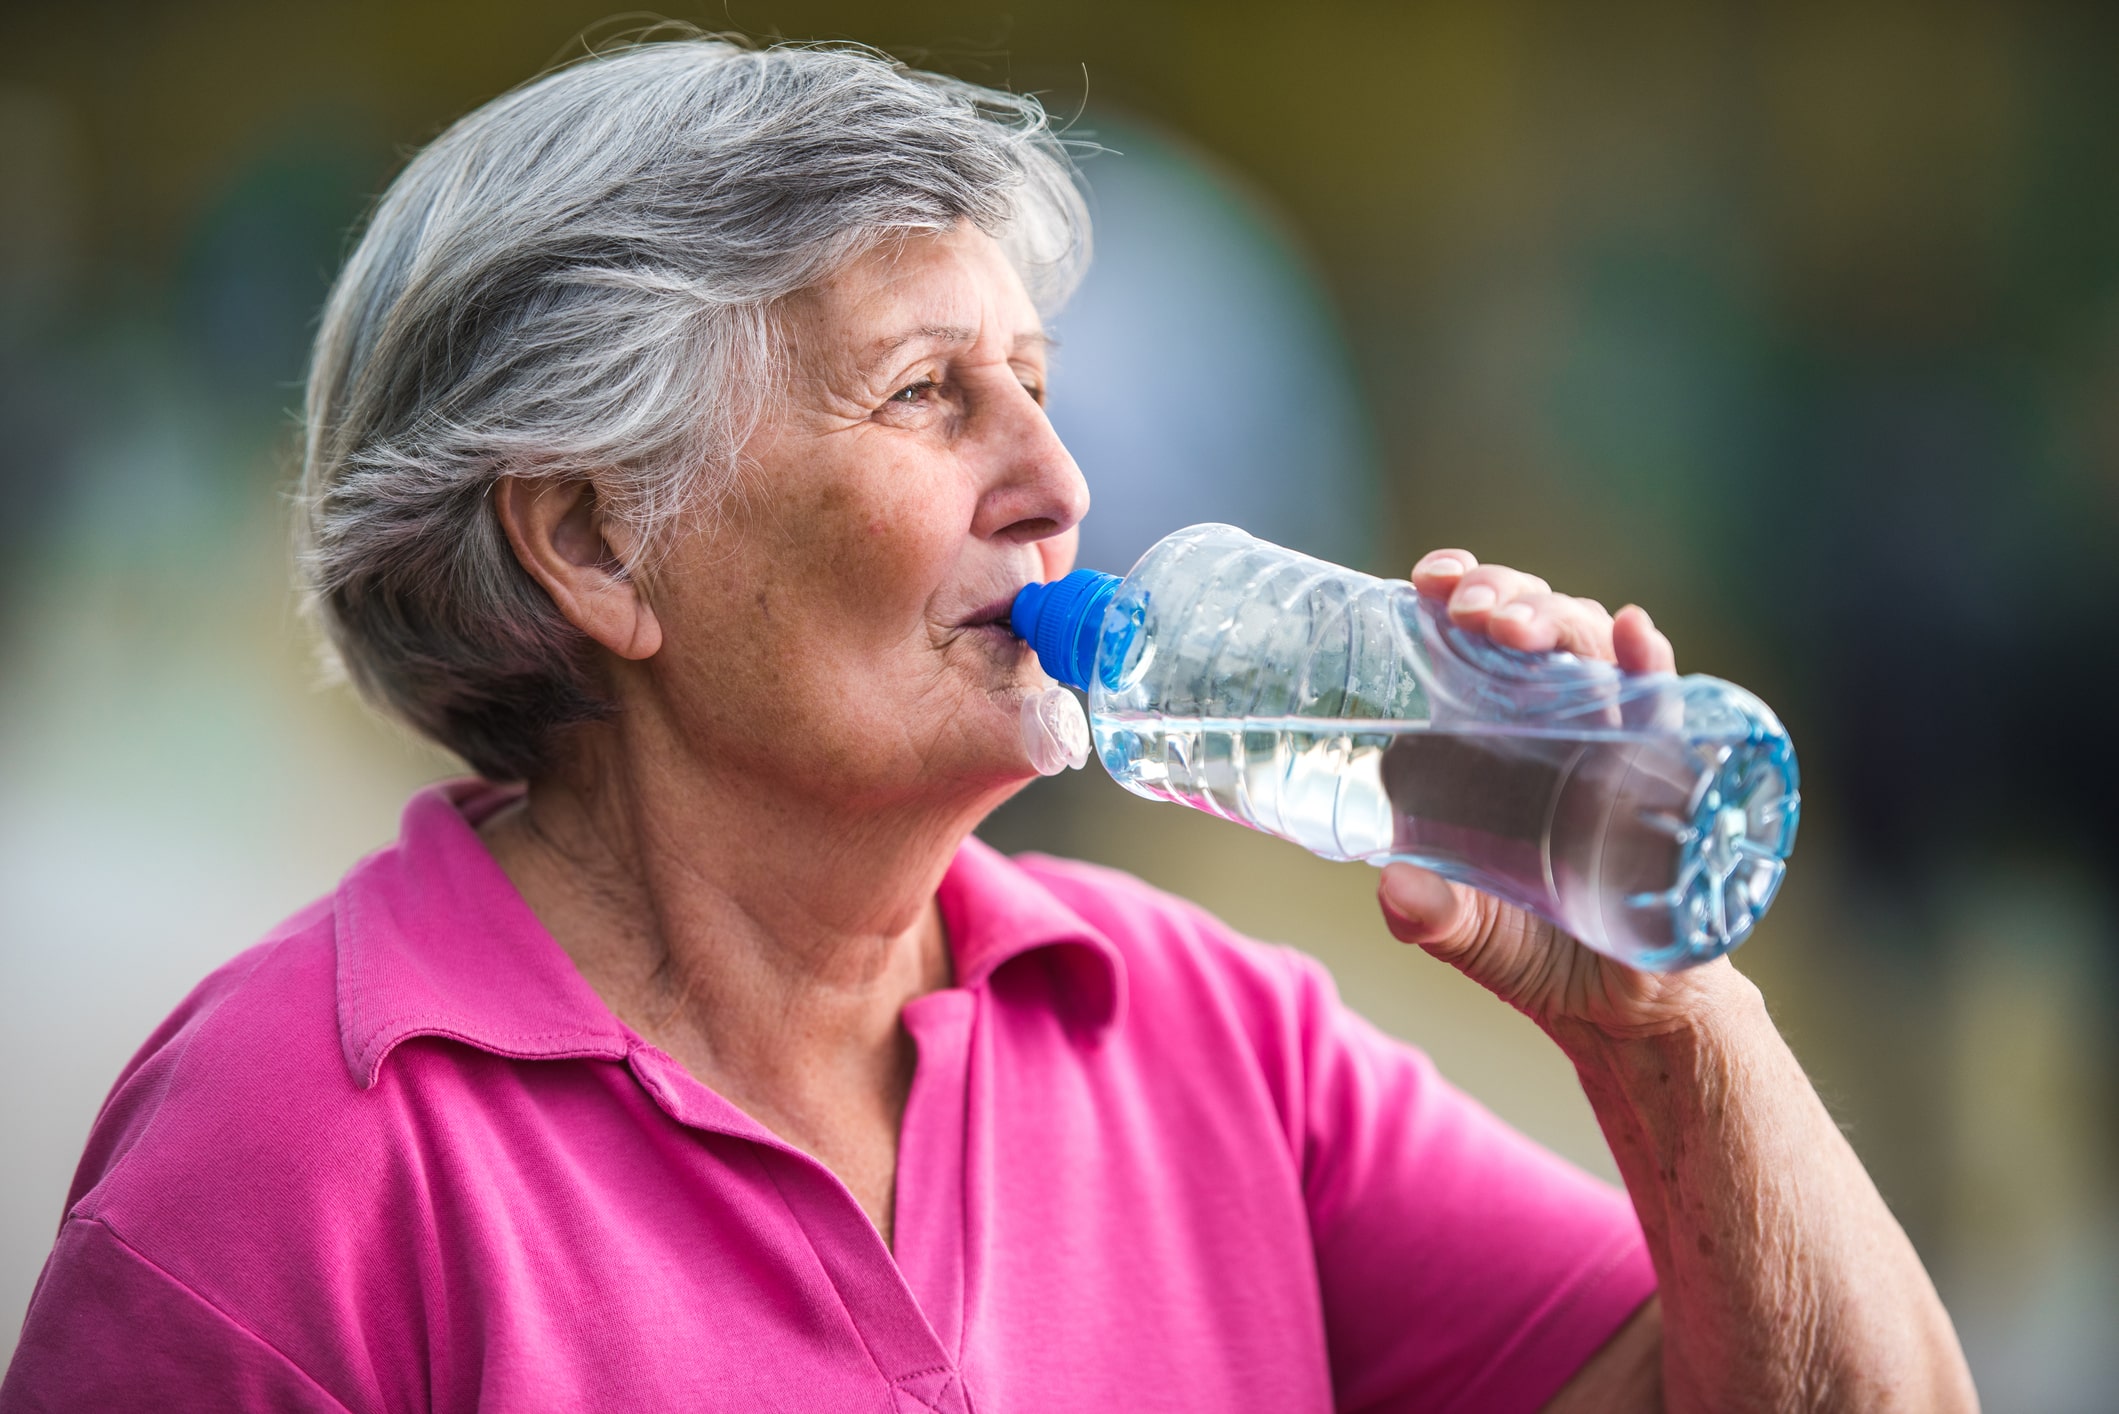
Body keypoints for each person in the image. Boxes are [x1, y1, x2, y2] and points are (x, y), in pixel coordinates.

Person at [1, 36, 1975, 1413]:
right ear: (598, 539)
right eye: (929, 396)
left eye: (1035, 383)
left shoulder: (1215, 1040)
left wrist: (1667, 1016)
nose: (1057, 476)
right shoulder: (294, 1153)